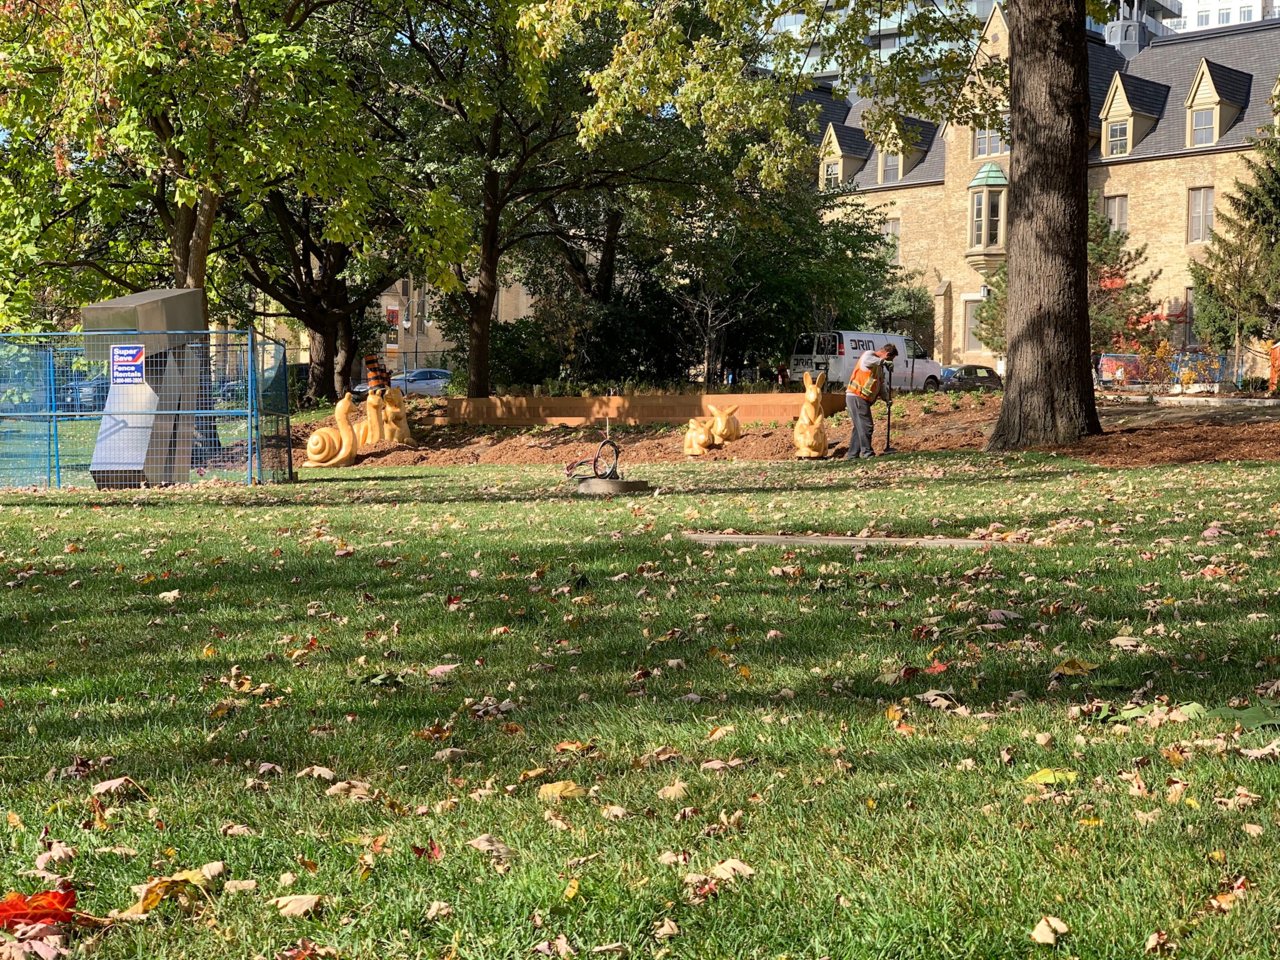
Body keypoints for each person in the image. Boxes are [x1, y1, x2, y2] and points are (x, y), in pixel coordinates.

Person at [844, 344, 897, 460]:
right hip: (856, 396)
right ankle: (867, 453)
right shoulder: (869, 355)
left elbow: (880, 385)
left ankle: (852, 455)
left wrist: (887, 399)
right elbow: (869, 360)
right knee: (867, 426)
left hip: (860, 398)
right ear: (887, 354)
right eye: (890, 359)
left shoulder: (878, 367)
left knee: (859, 427)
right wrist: (884, 362)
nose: (890, 362)